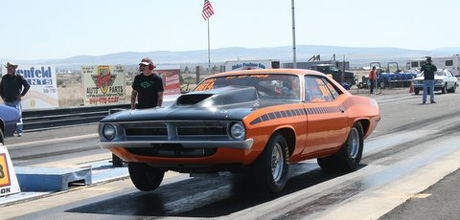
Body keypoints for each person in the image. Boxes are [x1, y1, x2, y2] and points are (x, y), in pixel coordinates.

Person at [0, 62, 30, 136]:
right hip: (7, 101)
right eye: (8, 68)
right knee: (8, 117)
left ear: (14, 68)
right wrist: (2, 96)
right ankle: (10, 132)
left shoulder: (19, 77)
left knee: (18, 116)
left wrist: (22, 95)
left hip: (15, 100)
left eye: (11, 68)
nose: (9, 69)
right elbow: (0, 88)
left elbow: (27, 86)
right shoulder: (4, 78)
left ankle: (19, 131)